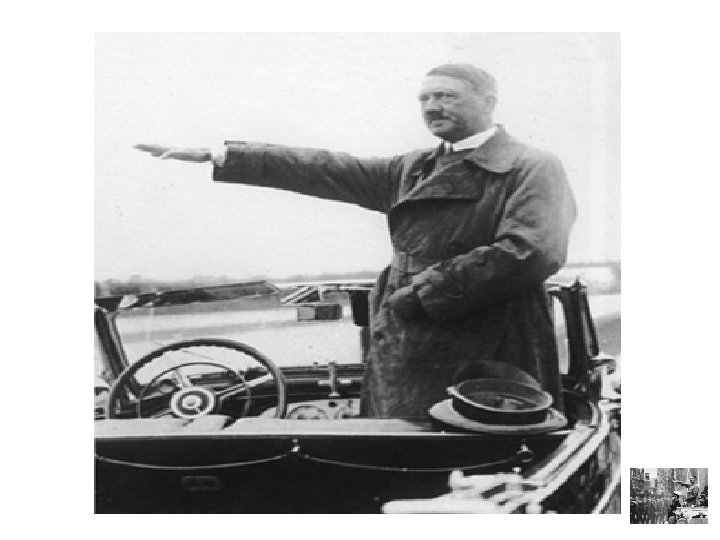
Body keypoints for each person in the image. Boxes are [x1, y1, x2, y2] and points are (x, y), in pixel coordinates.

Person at [135, 63, 577, 418]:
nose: (432, 107)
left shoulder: (531, 166)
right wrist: (224, 156)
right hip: (408, 341)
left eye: (446, 96)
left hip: (490, 339)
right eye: (424, 98)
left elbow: (532, 251)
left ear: (489, 101)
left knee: (479, 452)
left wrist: (421, 294)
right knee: (396, 444)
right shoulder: (411, 168)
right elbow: (323, 168)